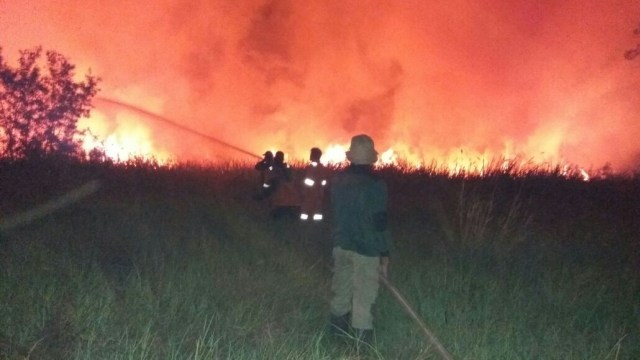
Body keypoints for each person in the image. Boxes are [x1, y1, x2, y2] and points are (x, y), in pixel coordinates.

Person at [328, 134, 391, 345]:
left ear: (351, 157)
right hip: (366, 250)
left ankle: (336, 339)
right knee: (364, 299)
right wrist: (384, 254)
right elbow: (379, 222)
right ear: (371, 159)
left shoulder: (337, 181)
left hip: (341, 245)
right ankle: (361, 349)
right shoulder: (375, 184)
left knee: (341, 293)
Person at [265, 151, 301, 219]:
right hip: (286, 198)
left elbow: (269, 181)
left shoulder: (280, 168)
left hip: (281, 198)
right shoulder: (276, 167)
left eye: (278, 157)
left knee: (278, 215)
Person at [300, 147, 328, 222]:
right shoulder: (321, 167)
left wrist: (305, 190)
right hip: (317, 194)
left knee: (307, 211)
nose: (310, 155)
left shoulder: (313, 167)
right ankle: (315, 227)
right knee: (316, 211)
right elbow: (324, 182)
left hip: (311, 193)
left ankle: (305, 225)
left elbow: (310, 181)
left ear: (315, 155)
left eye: (312, 154)